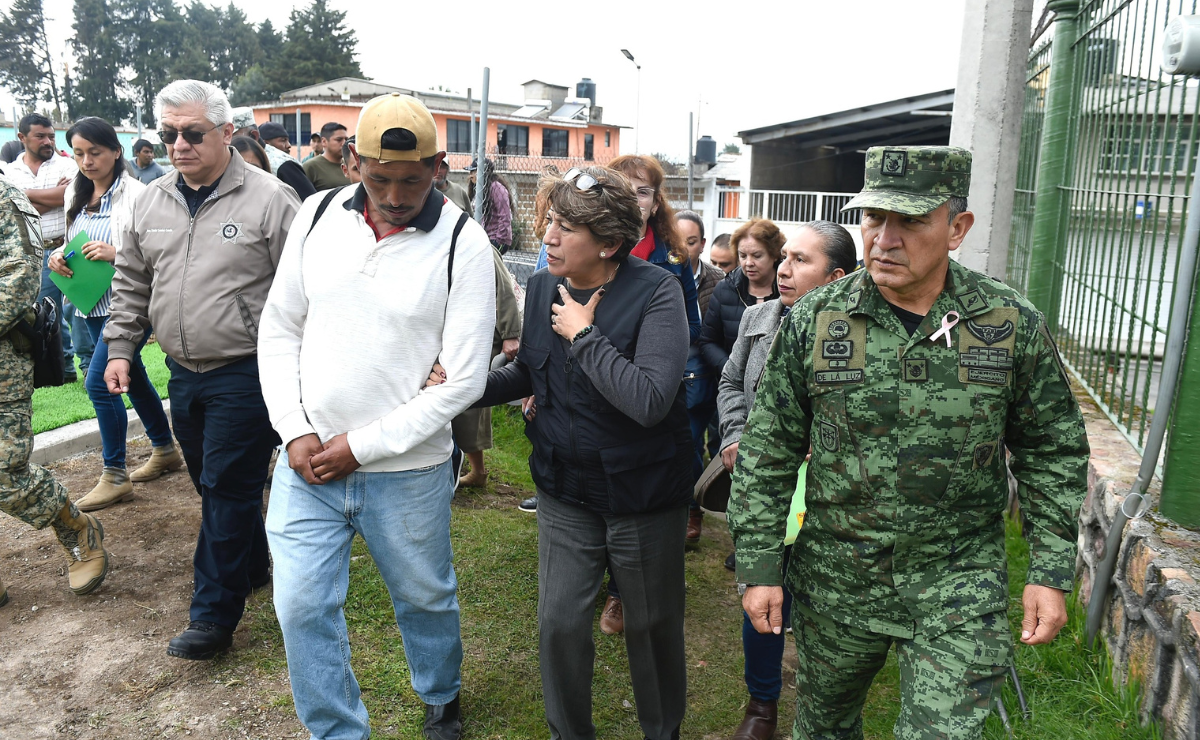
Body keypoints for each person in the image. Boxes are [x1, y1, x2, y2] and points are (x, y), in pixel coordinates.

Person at [729, 146, 1091, 739]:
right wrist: (761, 564)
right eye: (874, 218)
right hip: (837, 579)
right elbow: (768, 451)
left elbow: (1052, 450)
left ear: (957, 228)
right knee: (824, 727)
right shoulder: (817, 320)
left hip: (958, 583)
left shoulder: (1006, 324)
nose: (884, 239)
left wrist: (1049, 571)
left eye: (911, 221)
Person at [259, 93, 495, 740]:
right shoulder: (314, 214)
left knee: (424, 597)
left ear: (438, 167)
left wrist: (358, 447)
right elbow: (280, 327)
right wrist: (296, 430)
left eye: (412, 180)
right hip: (306, 464)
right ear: (355, 161)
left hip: (408, 471)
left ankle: (440, 695)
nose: (394, 194)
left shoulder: (462, 244)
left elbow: (465, 378)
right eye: (380, 177)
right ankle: (336, 731)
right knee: (300, 605)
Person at [448, 165, 691, 740]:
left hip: (643, 494)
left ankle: (662, 732)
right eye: (551, 222)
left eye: (568, 228)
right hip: (565, 487)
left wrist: (584, 336)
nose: (550, 237)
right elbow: (530, 371)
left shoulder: (658, 292)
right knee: (558, 623)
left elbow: (650, 400)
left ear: (609, 243)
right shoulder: (540, 285)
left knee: (651, 628)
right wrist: (462, 385)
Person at [103, 79, 301, 660]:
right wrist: (120, 348)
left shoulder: (269, 199)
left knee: (224, 487)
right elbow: (133, 281)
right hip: (182, 372)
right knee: (213, 483)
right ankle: (255, 562)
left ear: (226, 132)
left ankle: (213, 617)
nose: (178, 145)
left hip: (247, 370)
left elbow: (305, 288)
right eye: (168, 134)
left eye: (192, 133)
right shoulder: (151, 199)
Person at [717, 221, 856, 740]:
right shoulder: (758, 317)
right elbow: (731, 380)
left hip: (830, 492)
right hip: (767, 481)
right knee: (762, 588)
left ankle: (828, 706)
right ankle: (763, 704)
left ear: (837, 276)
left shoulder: (858, 334)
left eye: (801, 261)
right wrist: (734, 435)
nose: (782, 269)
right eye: (785, 257)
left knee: (823, 601)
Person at [46, 117, 181, 512]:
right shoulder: (77, 190)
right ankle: (164, 448)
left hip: (128, 307)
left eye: (95, 152)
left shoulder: (140, 194)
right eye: (79, 153)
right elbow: (73, 240)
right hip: (90, 302)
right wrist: (59, 255)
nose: (87, 161)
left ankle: (114, 474)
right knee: (132, 377)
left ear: (116, 151)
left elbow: (160, 253)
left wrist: (115, 254)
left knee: (99, 384)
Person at [0, 177, 110, 601]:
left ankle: (75, 525)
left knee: (5, 473)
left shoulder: (4, 197)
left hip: (3, 366)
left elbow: (19, 278)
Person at [6, 114, 80, 382]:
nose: (48, 141)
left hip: (67, 247)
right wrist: (52, 195)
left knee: (76, 310)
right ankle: (64, 370)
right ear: (22, 138)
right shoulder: (11, 171)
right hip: (33, 253)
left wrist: (23, 195)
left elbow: (68, 196)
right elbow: (11, 209)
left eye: (51, 135)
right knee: (47, 312)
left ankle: (83, 364)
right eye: (41, 136)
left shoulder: (67, 165)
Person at [453, 244, 521, 489]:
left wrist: (510, 333)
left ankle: (475, 471)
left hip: (478, 334)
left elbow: (503, 290)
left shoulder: (476, 243)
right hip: (451, 332)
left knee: (471, 409)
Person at [676, 210, 724, 538]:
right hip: (662, 374)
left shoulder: (719, 282)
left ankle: (693, 511)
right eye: (676, 241)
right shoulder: (657, 276)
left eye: (690, 242)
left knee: (690, 443)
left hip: (701, 378)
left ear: (702, 244)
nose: (682, 249)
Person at [257, 122, 316, 201]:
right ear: (266, 144)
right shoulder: (284, 165)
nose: (289, 145)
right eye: (283, 140)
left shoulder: (286, 165)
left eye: (288, 140)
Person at [467, 158, 512, 252]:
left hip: (497, 239)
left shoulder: (496, 187)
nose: (470, 176)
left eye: (473, 172)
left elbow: (505, 216)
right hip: (484, 238)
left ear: (483, 172)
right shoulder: (478, 189)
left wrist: (498, 241)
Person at [302, 122, 351, 190]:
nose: (344, 143)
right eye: (339, 140)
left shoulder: (350, 165)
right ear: (324, 141)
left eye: (346, 139)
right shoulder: (310, 166)